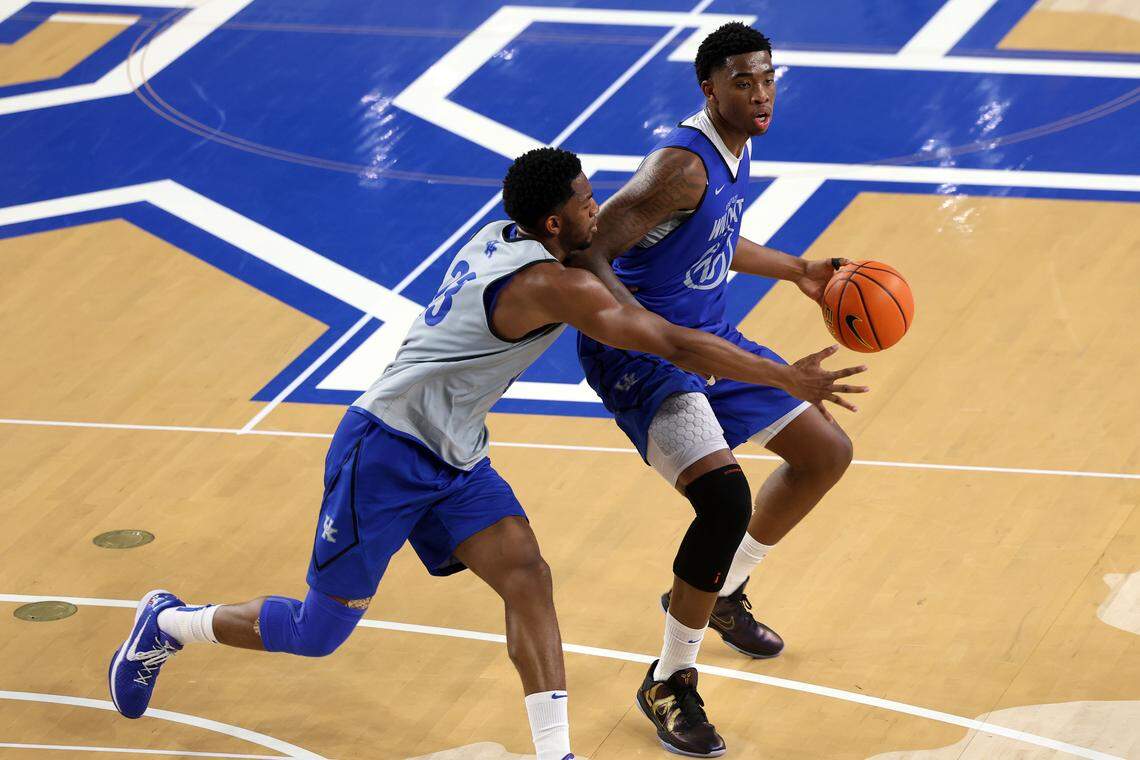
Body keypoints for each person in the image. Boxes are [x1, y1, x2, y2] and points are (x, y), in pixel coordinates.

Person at [107, 147, 866, 760]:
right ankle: (171, 624)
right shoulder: (547, 284)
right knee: (318, 632)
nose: (595, 208)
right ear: (551, 221)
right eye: (583, 201)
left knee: (529, 578)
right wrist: (783, 375)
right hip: (386, 449)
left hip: (455, 452)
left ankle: (555, 756)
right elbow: (663, 340)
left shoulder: (513, 237)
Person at [570, 23, 864, 757]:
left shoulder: (736, 147)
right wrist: (637, 327)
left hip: (705, 337)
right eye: (742, 81)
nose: (761, 92)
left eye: (767, 77)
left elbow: (709, 238)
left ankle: (720, 593)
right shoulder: (681, 164)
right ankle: (670, 680)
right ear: (709, 89)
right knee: (725, 498)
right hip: (645, 357)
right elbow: (590, 247)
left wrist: (796, 268)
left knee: (825, 452)